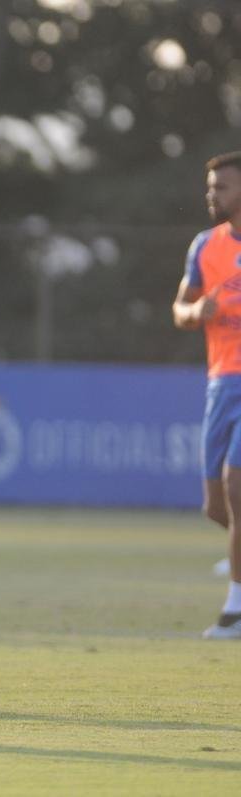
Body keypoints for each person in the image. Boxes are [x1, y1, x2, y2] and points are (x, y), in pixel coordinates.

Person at [172, 150, 241, 640]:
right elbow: (179, 308)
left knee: (237, 488)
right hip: (221, 384)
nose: (212, 195)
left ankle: (235, 611)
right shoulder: (205, 245)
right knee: (216, 507)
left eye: (223, 187)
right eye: (211, 186)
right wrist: (196, 313)